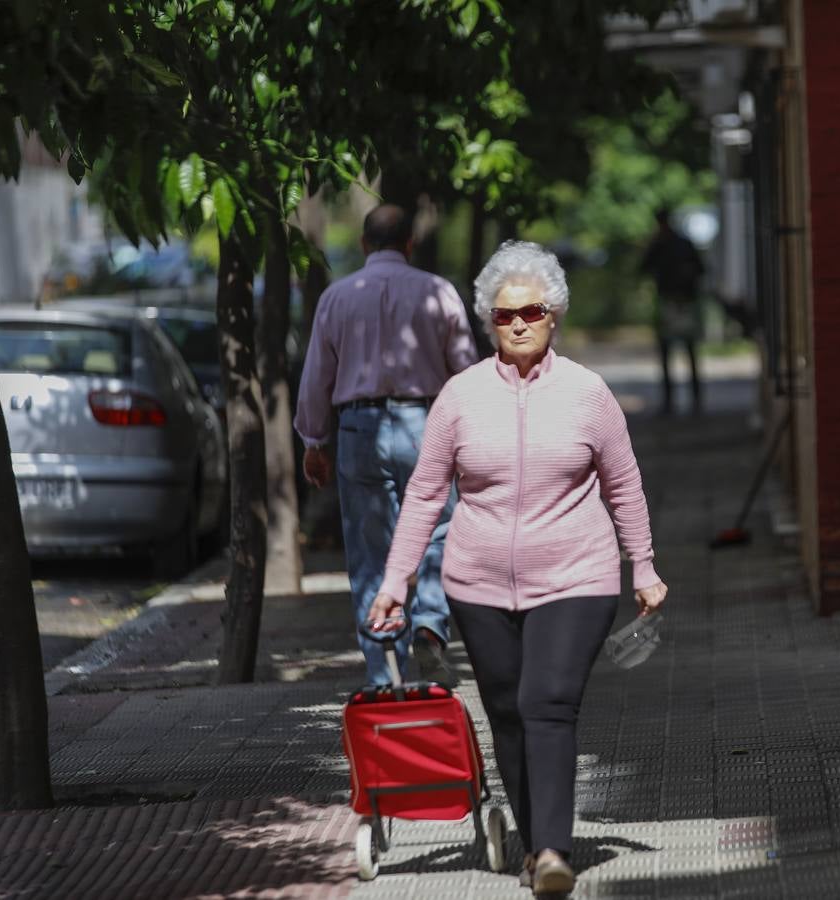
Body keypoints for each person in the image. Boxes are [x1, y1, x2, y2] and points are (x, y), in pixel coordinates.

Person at [366, 241, 669, 895]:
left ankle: (555, 850)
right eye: (504, 316)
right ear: (489, 322)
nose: (519, 324)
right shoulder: (460, 396)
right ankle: (536, 847)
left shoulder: (588, 393)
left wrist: (641, 565)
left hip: (576, 576)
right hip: (477, 582)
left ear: (553, 313)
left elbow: (624, 484)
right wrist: (397, 583)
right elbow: (423, 493)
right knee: (506, 709)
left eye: (531, 311)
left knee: (545, 702)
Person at [294, 204, 478, 688]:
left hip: (359, 430)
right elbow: (465, 369)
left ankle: (383, 672)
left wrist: (315, 441)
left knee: (372, 553)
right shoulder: (438, 292)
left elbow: (317, 375)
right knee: (440, 531)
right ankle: (430, 624)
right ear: (410, 244)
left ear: (362, 244)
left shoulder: (337, 296)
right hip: (427, 425)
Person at [640, 207, 706, 415]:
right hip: (675, 302)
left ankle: (684, 402)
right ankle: (683, 401)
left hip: (678, 302)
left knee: (679, 353)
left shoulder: (671, 244)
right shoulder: (674, 243)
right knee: (680, 353)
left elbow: (642, 268)